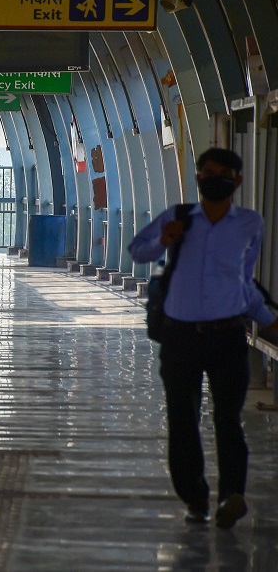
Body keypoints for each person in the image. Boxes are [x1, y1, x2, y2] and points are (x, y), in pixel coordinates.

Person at [128, 147, 278, 529]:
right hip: (179, 337)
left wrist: (267, 318)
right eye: (207, 172)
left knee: (228, 418)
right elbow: (137, 250)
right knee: (182, 419)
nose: (214, 178)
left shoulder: (249, 224)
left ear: (237, 180)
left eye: (222, 173)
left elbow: (244, 282)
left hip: (227, 336)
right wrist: (164, 239)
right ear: (198, 178)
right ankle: (195, 498)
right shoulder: (178, 217)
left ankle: (232, 495)